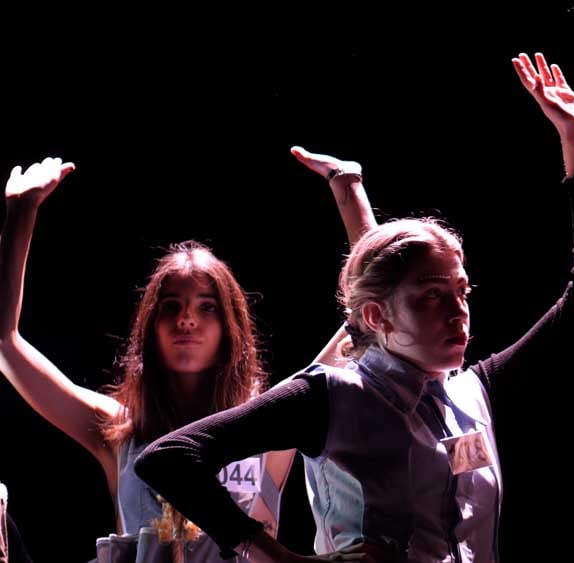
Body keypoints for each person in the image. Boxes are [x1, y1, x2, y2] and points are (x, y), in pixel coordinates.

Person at [134, 51, 574, 562]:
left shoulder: (473, 391)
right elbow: (169, 458)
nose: (458, 310)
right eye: (432, 295)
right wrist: (279, 558)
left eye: (462, 292)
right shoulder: (328, 397)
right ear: (375, 316)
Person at [0, 153, 377, 561]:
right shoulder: (119, 429)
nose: (187, 320)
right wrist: (21, 212)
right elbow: (5, 343)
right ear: (150, 327)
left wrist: (348, 187)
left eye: (206, 306)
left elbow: (371, 319)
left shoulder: (272, 420)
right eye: (171, 306)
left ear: (230, 327)